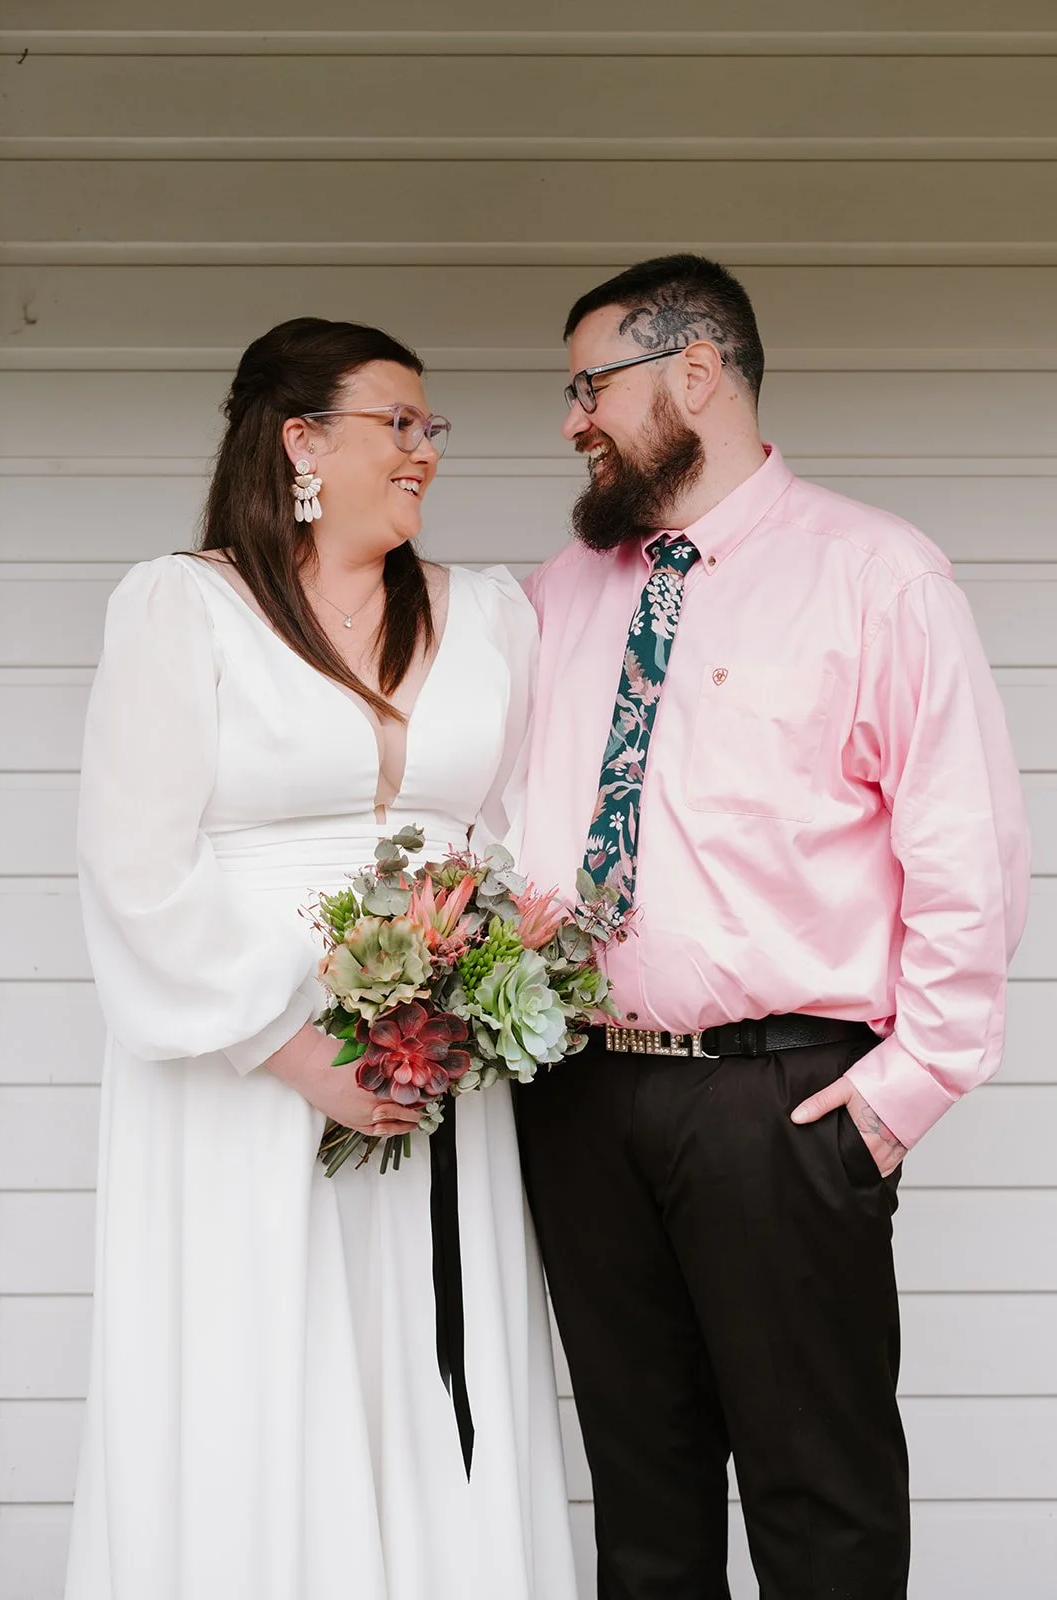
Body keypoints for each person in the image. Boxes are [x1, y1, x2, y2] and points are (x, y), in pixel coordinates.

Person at [514, 255, 1030, 1600]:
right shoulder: (553, 599)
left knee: (821, 1506)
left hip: (780, 1105)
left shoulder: (875, 576)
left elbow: (963, 855)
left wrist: (896, 1097)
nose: (569, 419)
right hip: (577, 1098)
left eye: (589, 385)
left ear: (698, 371)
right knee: (641, 1500)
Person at [66, 317, 578, 1600]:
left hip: (435, 1077)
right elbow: (135, 864)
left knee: (421, 1358)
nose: (423, 453)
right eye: (395, 424)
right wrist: (294, 1048)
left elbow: (519, 839)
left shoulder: (493, 615)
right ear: (300, 442)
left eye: (429, 429)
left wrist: (470, 990)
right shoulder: (184, 607)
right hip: (240, 1075)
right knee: (255, 1354)